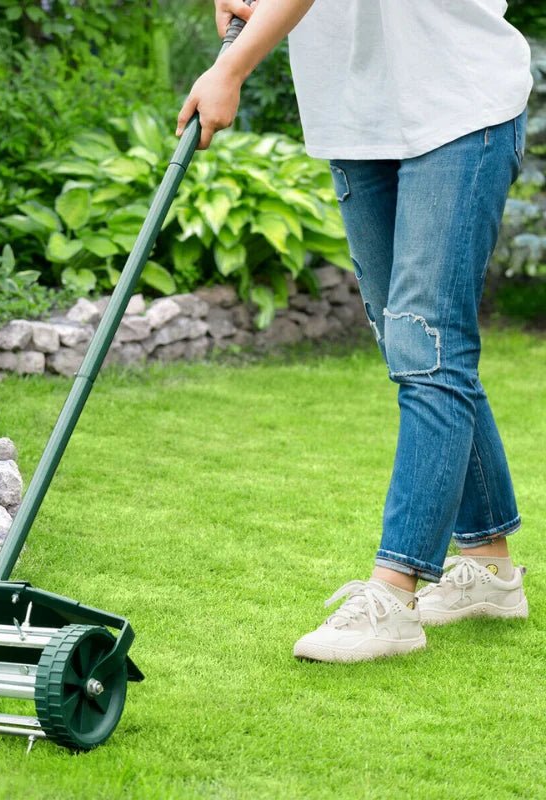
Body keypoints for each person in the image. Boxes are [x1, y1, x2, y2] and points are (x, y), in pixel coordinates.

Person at [177, 0, 533, 663]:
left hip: (459, 102)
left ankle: (393, 596)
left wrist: (233, 65)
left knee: (428, 345)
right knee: (416, 346)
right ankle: (487, 566)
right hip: (357, 113)